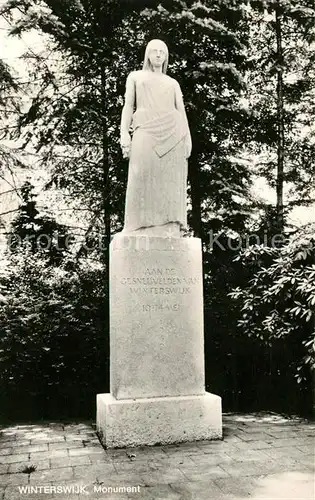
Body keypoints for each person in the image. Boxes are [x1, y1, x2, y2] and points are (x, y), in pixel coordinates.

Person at [120, 39, 192, 236]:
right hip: (144, 130)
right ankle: (135, 226)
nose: (159, 54)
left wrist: (188, 138)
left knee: (168, 180)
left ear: (166, 56)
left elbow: (181, 110)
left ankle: (169, 227)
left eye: (162, 51)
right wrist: (124, 132)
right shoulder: (135, 77)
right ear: (148, 54)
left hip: (173, 133)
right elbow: (128, 106)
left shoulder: (173, 83)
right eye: (155, 51)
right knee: (140, 175)